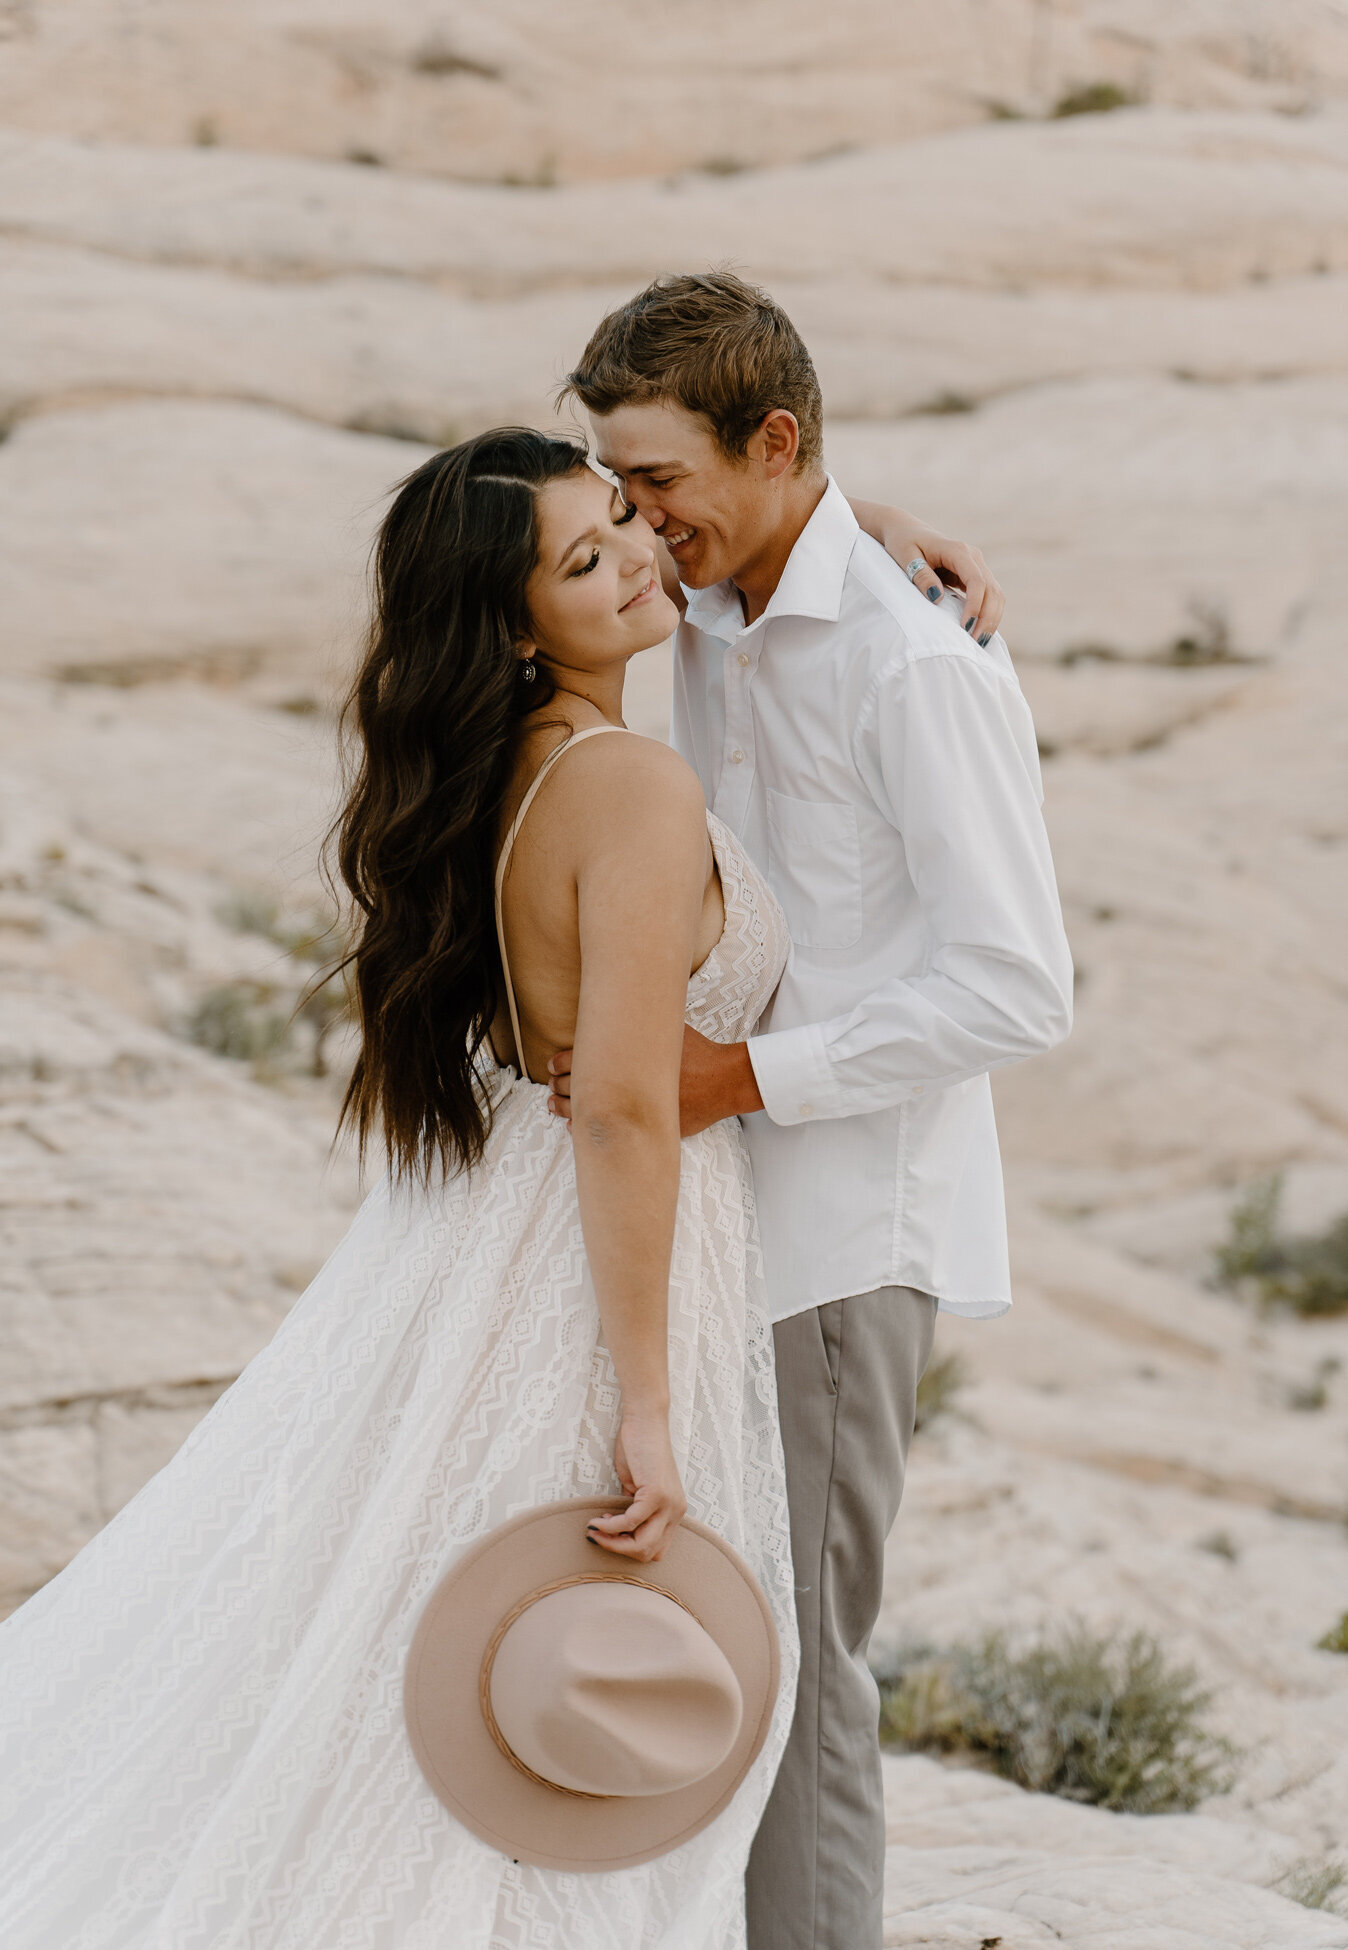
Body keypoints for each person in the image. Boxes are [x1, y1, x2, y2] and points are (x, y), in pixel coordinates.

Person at [0, 426, 976, 1948]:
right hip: (614, 1253)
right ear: (521, 626)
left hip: (507, 1234)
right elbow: (632, 1114)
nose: (642, 557)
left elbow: (677, 541)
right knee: (581, 1632)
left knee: (472, 1636)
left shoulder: (516, 767)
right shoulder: (633, 787)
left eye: (624, 524)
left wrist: (863, 526)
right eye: (587, 561)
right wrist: (649, 1400)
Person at [550, 271, 1074, 1950]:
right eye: (618, 488)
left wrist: (735, 1077)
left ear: (772, 443)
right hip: (711, 1212)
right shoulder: (701, 599)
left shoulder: (921, 666)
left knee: (794, 1652)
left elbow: (1018, 986)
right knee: (696, 1630)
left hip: (842, 1231)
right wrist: (838, 517)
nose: (638, 521)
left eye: (664, 483)